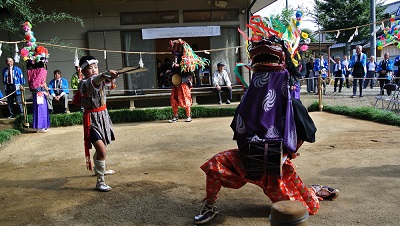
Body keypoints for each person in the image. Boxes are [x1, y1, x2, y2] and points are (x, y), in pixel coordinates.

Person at [194, 17, 339, 225]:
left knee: (306, 209)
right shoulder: (249, 97)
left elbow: (308, 132)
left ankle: (313, 191)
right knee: (215, 164)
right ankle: (209, 205)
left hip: (273, 169)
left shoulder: (292, 103)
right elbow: (238, 126)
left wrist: (286, 154)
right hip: (246, 161)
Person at [77, 55, 118, 192]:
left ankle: (99, 167)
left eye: (96, 67)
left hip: (103, 116)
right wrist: (105, 74)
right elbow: (94, 81)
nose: (94, 70)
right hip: (91, 120)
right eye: (90, 68)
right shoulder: (83, 84)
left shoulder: (100, 80)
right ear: (83, 71)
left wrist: (111, 76)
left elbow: (103, 80)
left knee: (103, 147)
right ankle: (100, 182)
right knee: (101, 150)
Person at [168, 39, 209, 123]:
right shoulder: (177, 56)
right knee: (174, 99)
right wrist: (173, 68)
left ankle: (188, 116)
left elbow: (187, 69)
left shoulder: (187, 58)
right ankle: (175, 116)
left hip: (184, 81)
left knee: (186, 98)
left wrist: (178, 66)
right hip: (176, 82)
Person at [27, 59, 50, 133]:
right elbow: (37, 83)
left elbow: (33, 83)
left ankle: (38, 126)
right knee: (41, 108)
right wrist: (43, 87)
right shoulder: (41, 70)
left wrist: (44, 87)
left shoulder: (30, 71)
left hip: (36, 92)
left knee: (37, 108)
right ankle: (41, 126)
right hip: (40, 92)